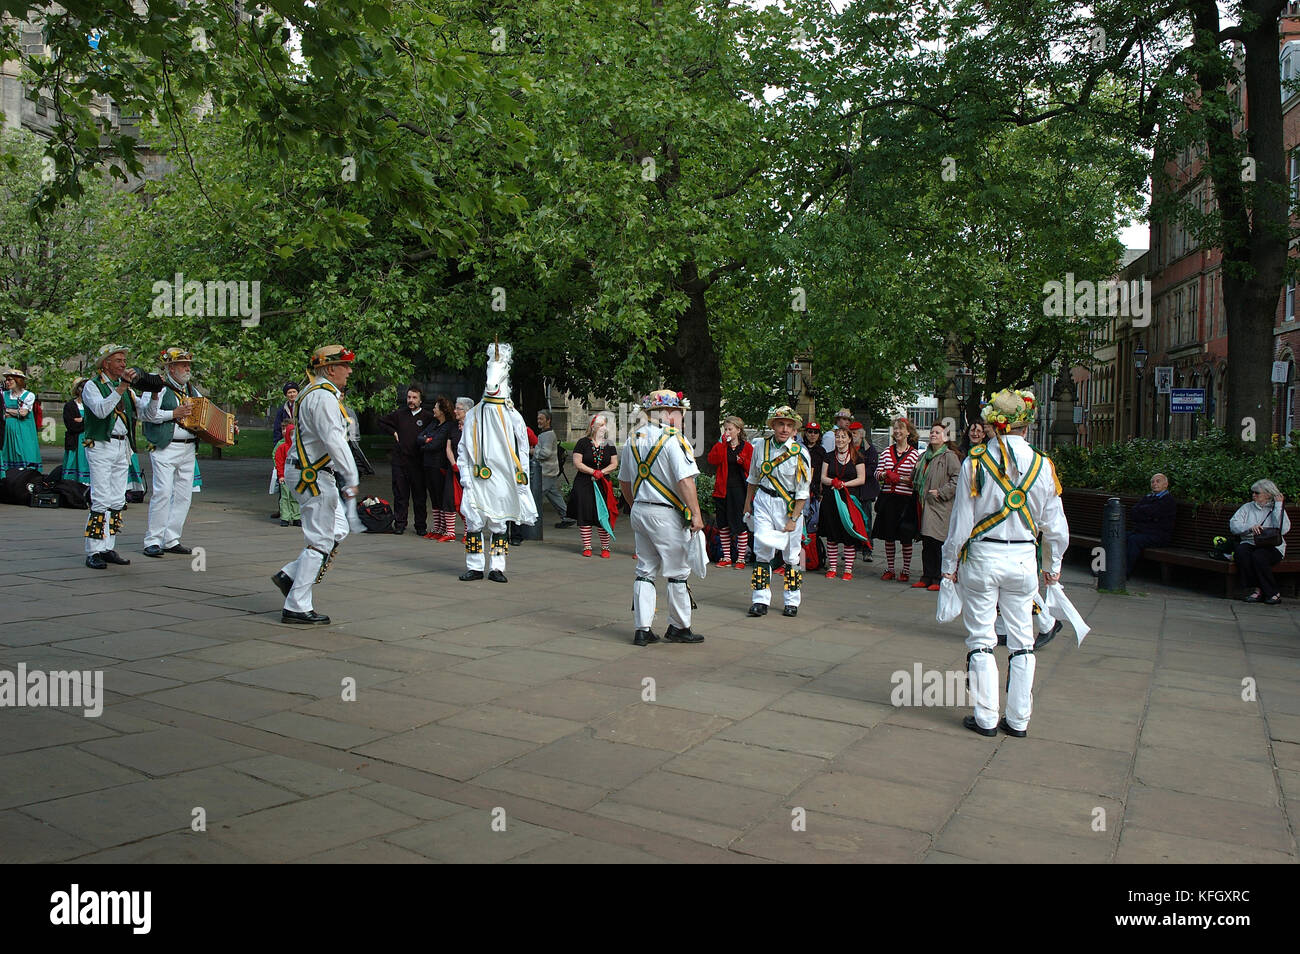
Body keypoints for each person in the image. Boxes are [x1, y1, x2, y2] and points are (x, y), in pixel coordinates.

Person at [942, 388, 1069, 738]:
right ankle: (1018, 720)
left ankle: (985, 718)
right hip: (1024, 560)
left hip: (983, 557)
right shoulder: (1043, 464)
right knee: (1022, 641)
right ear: (1026, 426)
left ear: (993, 425)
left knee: (981, 638)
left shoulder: (975, 461)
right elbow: (1056, 527)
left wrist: (949, 565)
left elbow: (960, 525)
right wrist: (1052, 566)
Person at [271, 345, 360, 624]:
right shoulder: (323, 397)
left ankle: (290, 574)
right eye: (344, 365)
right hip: (314, 476)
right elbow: (334, 440)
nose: (349, 370)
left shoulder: (315, 393)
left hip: (312, 473)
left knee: (338, 530)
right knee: (321, 540)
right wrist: (352, 477)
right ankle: (297, 605)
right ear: (330, 369)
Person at [618, 389, 705, 646]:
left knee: (645, 569)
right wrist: (697, 515)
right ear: (666, 414)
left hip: (640, 510)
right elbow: (685, 481)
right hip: (666, 514)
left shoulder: (633, 438)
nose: (681, 418)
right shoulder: (674, 439)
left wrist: (636, 506)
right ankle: (679, 627)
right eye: (679, 412)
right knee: (678, 571)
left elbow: (624, 481)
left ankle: (642, 629)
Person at [456, 343, 537, 582]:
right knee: (474, 522)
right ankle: (475, 565)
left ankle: (497, 567)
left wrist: (521, 477)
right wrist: (465, 475)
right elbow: (463, 448)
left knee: (499, 523)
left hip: (502, 475)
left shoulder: (513, 415)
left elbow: (523, 447)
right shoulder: (473, 415)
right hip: (478, 475)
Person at [80, 345, 159, 569]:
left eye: (125, 360)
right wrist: (123, 387)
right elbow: (101, 411)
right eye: (119, 360)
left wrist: (154, 393)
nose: (124, 364)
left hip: (122, 446)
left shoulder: (127, 389)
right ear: (106, 364)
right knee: (101, 497)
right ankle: (93, 550)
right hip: (101, 445)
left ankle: (107, 547)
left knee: (117, 499)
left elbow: (148, 415)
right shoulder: (91, 387)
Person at [139, 347, 210, 558]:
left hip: (188, 447)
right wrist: (173, 413)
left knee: (183, 495)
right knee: (162, 493)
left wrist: (227, 427)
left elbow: (206, 410)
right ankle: (152, 540)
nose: (187, 368)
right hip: (165, 446)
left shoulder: (191, 389)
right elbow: (145, 414)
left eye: (188, 364)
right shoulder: (157, 387)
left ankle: (171, 538)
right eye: (182, 364)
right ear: (170, 367)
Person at [744, 406, 812, 618]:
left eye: (789, 425)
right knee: (762, 550)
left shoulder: (800, 453)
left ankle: (792, 601)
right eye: (781, 424)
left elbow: (803, 491)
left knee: (791, 556)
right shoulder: (760, 447)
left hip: (789, 506)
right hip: (764, 501)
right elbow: (753, 478)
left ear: (794, 430)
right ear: (773, 425)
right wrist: (748, 504)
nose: (784, 429)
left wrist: (793, 519)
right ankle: (760, 600)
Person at [377, 385, 430, 536]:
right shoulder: (400, 414)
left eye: (414, 398)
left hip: (418, 463)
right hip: (400, 462)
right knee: (400, 494)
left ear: (420, 400)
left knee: (419, 496)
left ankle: (421, 525)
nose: (411, 401)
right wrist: (393, 432)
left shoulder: (427, 417)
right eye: (409, 397)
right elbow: (381, 422)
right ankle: (400, 524)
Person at [914, 423, 960, 590]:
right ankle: (926, 575)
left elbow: (957, 479)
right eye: (932, 432)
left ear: (945, 438)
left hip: (940, 505)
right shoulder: (924, 456)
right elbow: (915, 476)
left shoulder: (949, 456)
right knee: (926, 541)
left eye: (937, 432)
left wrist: (941, 492)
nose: (933, 434)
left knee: (937, 542)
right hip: (924, 504)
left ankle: (937, 577)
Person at [820, 425, 869, 580]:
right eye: (837, 437)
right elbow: (822, 477)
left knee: (848, 534)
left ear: (849, 439)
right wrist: (833, 482)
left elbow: (861, 479)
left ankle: (848, 569)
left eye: (843, 437)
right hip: (831, 499)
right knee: (832, 535)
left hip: (848, 499)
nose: (840, 440)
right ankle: (832, 567)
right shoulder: (828, 456)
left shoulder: (857, 457)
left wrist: (844, 485)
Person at [874, 416, 920, 581]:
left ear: (908, 432)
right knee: (889, 536)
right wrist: (886, 474)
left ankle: (906, 570)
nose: (898, 431)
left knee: (905, 537)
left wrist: (901, 479)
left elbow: (916, 480)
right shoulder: (887, 452)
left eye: (901, 428)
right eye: (895, 428)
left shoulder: (915, 455)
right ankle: (890, 568)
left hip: (905, 501)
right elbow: (877, 473)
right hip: (888, 499)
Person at [1230, 479, 1291, 604]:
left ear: (1268, 494)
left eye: (1257, 493)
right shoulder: (1247, 508)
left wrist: (1279, 506)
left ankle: (1272, 592)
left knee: (1259, 556)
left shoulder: (1276, 508)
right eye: (1253, 492)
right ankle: (1257, 589)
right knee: (1241, 552)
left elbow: (1283, 529)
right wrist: (1250, 527)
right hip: (1251, 542)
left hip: (1272, 546)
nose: (1253, 495)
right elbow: (1234, 526)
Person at [567, 413, 619, 557]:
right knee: (584, 512)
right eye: (601, 425)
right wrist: (592, 472)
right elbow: (577, 462)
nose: (604, 428)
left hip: (603, 483)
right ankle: (587, 546)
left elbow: (614, 463)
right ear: (593, 426)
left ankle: (605, 547)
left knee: (604, 513)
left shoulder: (609, 444)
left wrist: (601, 472)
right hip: (584, 482)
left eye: (605, 425)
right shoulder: (582, 443)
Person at [707, 415, 752, 568]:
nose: (727, 432)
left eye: (730, 429)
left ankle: (741, 558)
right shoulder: (722, 445)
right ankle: (726, 556)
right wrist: (721, 444)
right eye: (725, 429)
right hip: (722, 490)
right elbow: (712, 460)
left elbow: (752, 468)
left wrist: (743, 461)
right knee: (723, 524)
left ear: (738, 430)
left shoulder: (747, 447)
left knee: (740, 524)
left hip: (739, 490)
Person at [416, 396, 456, 539]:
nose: (433, 409)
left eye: (436, 407)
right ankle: (438, 527)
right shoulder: (434, 423)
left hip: (439, 465)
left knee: (440, 496)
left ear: (443, 411)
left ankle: (446, 529)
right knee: (433, 496)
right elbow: (419, 438)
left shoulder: (448, 426)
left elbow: (436, 445)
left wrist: (426, 443)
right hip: (428, 464)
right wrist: (426, 441)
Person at [1126, 473, 1176, 575]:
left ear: (1165, 484)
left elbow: (1154, 513)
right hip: (1143, 532)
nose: (1154, 484)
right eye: (1152, 481)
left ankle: (1124, 572)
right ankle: (1110, 567)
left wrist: (1144, 513)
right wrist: (1147, 515)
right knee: (1119, 536)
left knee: (1134, 540)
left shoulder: (1168, 500)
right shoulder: (1148, 497)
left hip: (1159, 536)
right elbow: (1133, 512)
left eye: (1158, 481)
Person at [535, 409, 574, 528]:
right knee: (553, 495)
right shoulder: (547, 433)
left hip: (547, 471)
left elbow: (545, 454)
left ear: (548, 420)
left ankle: (531, 521)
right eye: (538, 418)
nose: (539, 421)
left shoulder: (547, 435)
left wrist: (533, 451)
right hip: (550, 470)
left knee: (536, 495)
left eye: (541, 419)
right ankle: (567, 516)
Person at [440, 397, 472, 542]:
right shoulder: (453, 427)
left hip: (469, 470)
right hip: (453, 468)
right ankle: (450, 532)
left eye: (458, 408)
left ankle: (468, 532)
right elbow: (448, 447)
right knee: (448, 498)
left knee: (468, 500)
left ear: (467, 411)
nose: (455, 411)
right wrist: (454, 463)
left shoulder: (474, 428)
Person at [2, 369, 41, 478]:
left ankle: (26, 477)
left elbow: (23, 413)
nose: (7, 382)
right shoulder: (4, 395)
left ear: (18, 381)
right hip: (8, 430)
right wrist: (15, 412)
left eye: (10, 380)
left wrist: (8, 410)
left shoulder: (29, 395)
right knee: (8, 453)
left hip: (23, 430)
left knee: (25, 452)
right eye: (6, 380)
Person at [272, 422, 302, 526]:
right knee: (285, 497)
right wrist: (281, 475)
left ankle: (296, 516)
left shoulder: (299, 448)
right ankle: (285, 517)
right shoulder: (283, 447)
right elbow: (279, 462)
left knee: (295, 496)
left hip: (297, 475)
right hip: (285, 475)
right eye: (291, 434)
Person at [61, 379, 91, 484]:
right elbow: (72, 426)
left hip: (89, 440)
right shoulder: (70, 406)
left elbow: (97, 422)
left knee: (89, 461)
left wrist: (83, 420)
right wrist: (87, 422)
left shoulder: (92, 406)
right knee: (74, 462)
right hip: (75, 441)